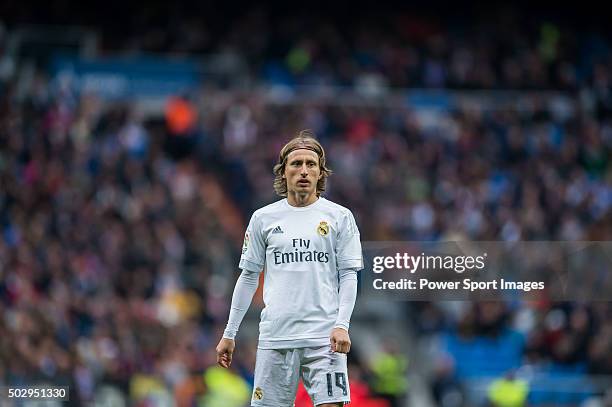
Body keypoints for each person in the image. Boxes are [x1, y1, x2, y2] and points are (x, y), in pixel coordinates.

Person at [216, 130, 363, 407]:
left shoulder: (340, 217)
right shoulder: (263, 218)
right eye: (296, 164)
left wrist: (342, 325)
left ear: (321, 173)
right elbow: (248, 277)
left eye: (311, 164)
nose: (304, 170)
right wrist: (229, 333)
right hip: (275, 337)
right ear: (283, 173)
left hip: (324, 339)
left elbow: (349, 276)